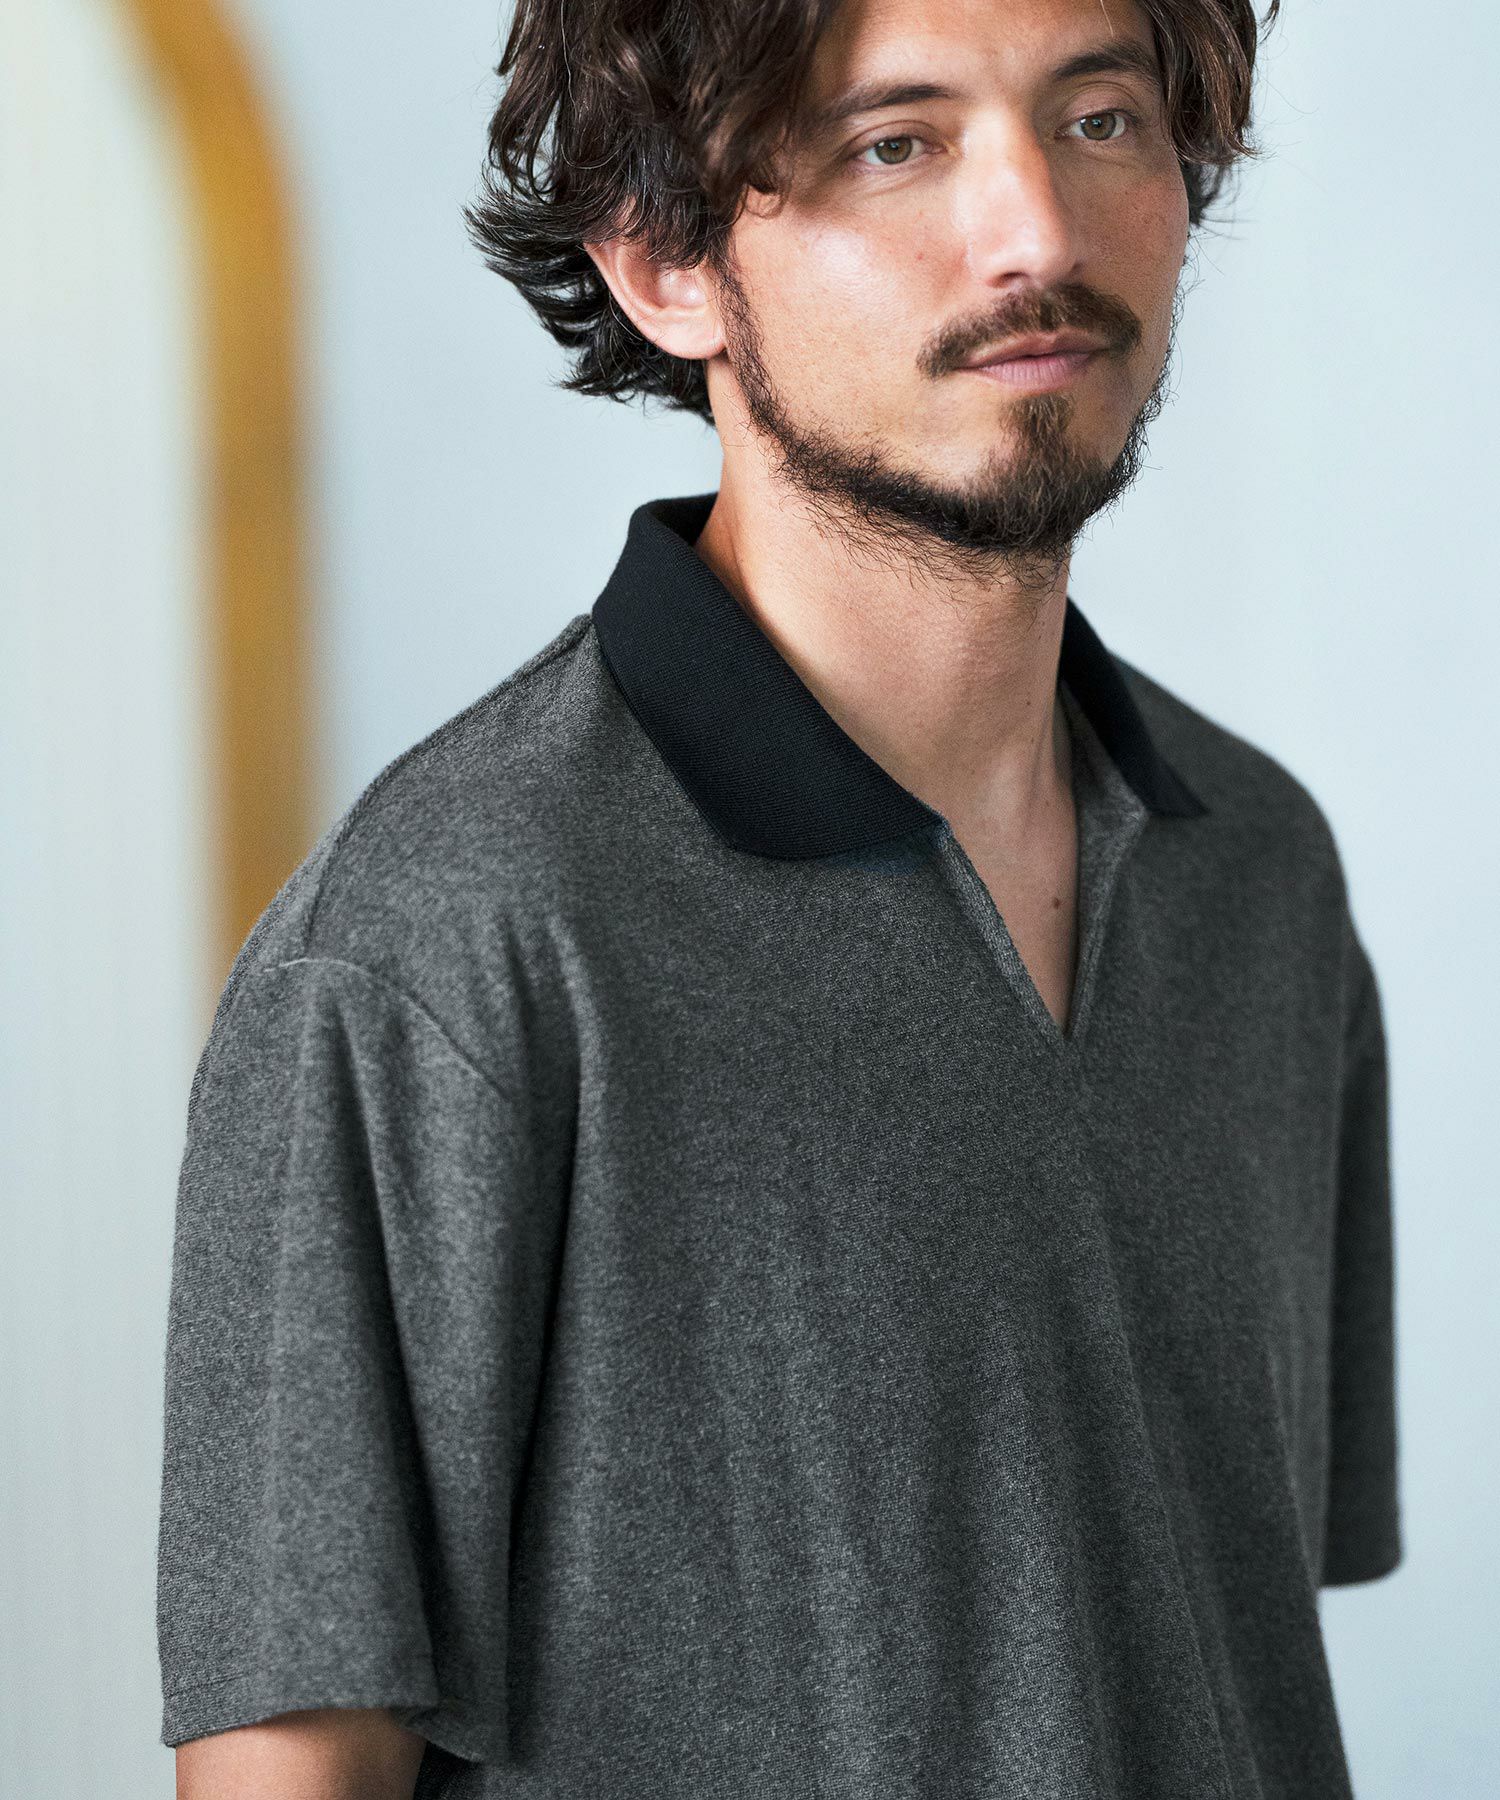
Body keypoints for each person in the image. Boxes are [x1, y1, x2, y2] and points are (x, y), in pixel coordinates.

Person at [158, 0, 1403, 1794]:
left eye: (1101, 119)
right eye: (897, 144)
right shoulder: (437, 948)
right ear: (664, 262)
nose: (1037, 232)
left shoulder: (1260, 872)